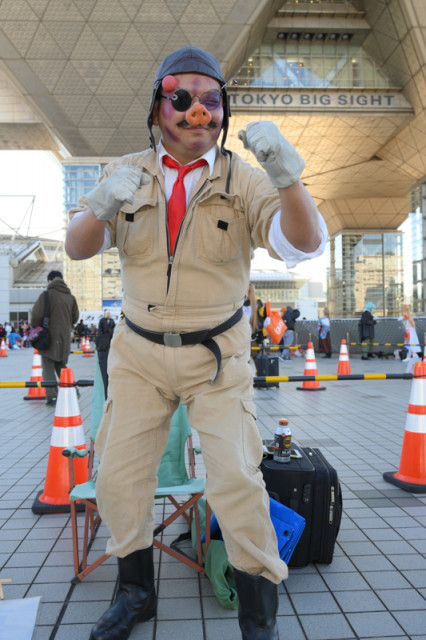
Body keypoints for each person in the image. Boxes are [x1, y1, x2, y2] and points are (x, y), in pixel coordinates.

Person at [65, 46, 327, 640]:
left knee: (236, 477)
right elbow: (78, 248)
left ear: (223, 110)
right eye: (180, 98)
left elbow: (302, 245)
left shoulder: (247, 179)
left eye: (210, 100)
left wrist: (290, 181)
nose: (195, 112)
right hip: (138, 350)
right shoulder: (126, 172)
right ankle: (135, 593)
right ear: (158, 105)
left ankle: (258, 616)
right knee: (119, 477)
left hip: (218, 354)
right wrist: (99, 205)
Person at [31, 271, 79, 406]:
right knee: (61, 365)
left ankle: (52, 397)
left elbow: (36, 316)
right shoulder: (71, 297)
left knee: (47, 367)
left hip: (48, 338)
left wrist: (36, 326)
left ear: (50, 281)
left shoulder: (46, 295)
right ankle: (73, 391)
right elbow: (75, 318)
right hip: (64, 338)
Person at [96, 310, 116, 398]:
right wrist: (101, 336)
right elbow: (100, 329)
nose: (108, 315)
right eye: (107, 314)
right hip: (104, 341)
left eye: (109, 314)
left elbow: (114, 327)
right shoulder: (102, 321)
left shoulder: (112, 321)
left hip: (110, 340)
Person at [398, 304, 421, 371]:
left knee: (410, 344)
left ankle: (414, 356)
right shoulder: (407, 315)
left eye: (402, 308)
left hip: (410, 331)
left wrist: (406, 330)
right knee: (409, 344)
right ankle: (411, 356)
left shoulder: (405, 315)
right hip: (410, 331)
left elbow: (404, 321)